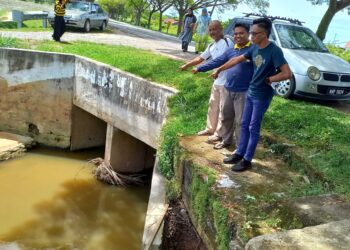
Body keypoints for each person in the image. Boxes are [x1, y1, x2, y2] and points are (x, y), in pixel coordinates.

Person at [211, 17, 291, 171]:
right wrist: (220, 69)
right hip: (251, 92)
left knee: (254, 127)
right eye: (251, 33)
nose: (251, 36)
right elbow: (235, 60)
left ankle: (247, 160)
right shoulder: (254, 48)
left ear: (264, 34)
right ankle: (239, 153)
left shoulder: (274, 50)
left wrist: (270, 78)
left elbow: (287, 73)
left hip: (262, 95)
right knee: (244, 124)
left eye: (254, 33)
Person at [194, 23, 254, 150]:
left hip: (244, 91)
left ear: (248, 34)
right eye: (236, 33)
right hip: (228, 88)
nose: (238, 36)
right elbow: (217, 61)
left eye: (241, 33)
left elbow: (261, 68)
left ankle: (240, 147)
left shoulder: (253, 50)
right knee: (226, 117)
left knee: (240, 121)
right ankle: (226, 140)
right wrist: (200, 69)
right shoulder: (231, 50)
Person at [180, 21, 234, 143]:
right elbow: (201, 58)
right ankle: (210, 129)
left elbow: (221, 60)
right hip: (216, 80)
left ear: (221, 29)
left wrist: (201, 68)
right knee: (213, 106)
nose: (212, 32)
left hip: (227, 81)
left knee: (223, 109)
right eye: (210, 30)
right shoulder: (211, 46)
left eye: (215, 29)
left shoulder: (227, 42)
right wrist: (187, 65)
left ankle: (219, 134)